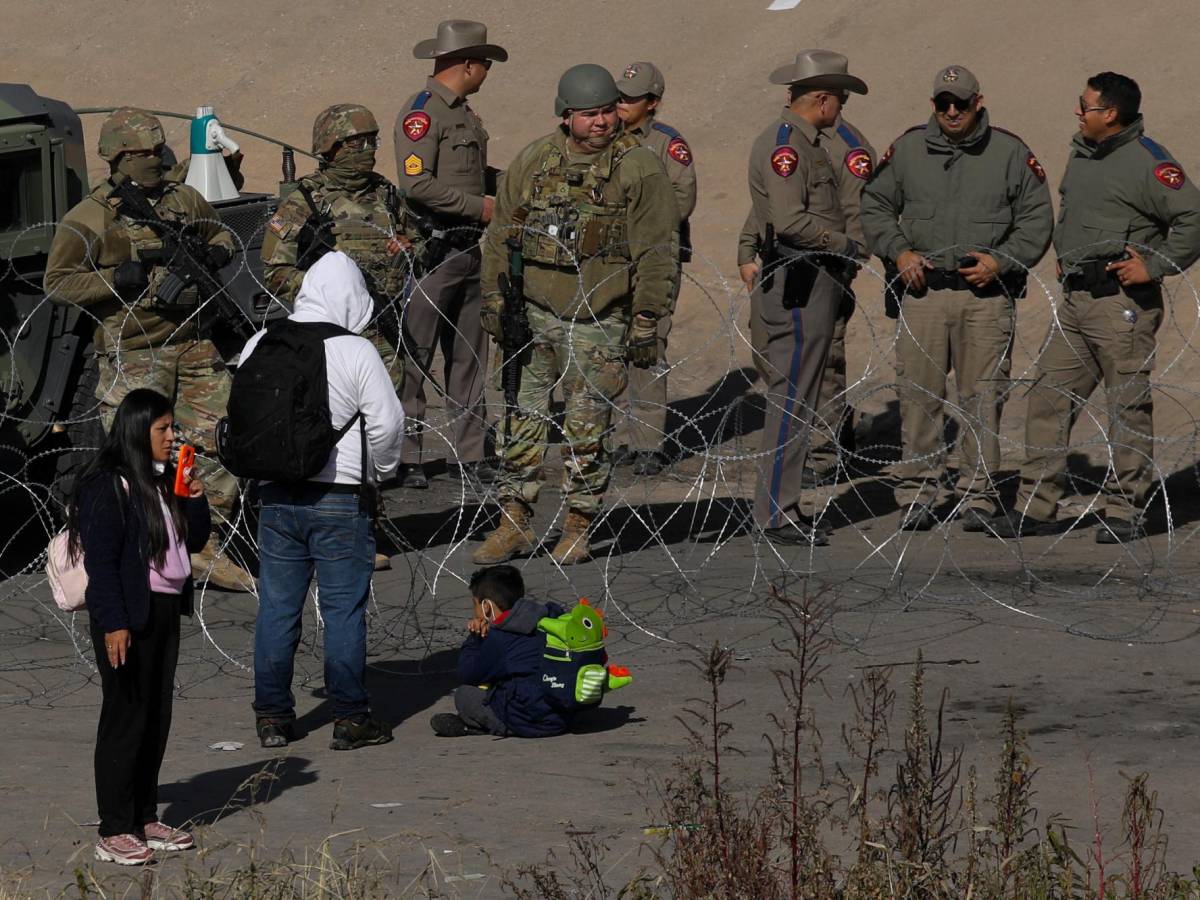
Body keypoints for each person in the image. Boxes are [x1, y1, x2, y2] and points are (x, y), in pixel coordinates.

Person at [472, 64, 678, 566]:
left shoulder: (639, 168)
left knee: (587, 430)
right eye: (590, 114)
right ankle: (513, 522)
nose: (602, 122)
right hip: (534, 315)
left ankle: (578, 526)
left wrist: (647, 317)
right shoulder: (535, 160)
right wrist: (495, 299)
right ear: (567, 117)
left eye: (608, 111)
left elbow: (657, 250)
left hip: (599, 319)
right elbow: (500, 234)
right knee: (521, 423)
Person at [44, 108, 252, 591]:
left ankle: (203, 542)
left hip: (194, 343)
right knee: (137, 455)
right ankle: (143, 544)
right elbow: (58, 282)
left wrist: (218, 251)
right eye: (143, 154)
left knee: (217, 439)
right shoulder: (91, 216)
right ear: (118, 157)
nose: (155, 160)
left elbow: (218, 230)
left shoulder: (183, 199)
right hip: (135, 351)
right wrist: (116, 278)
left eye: (158, 150)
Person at [993, 72, 1200, 542]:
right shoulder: (1084, 153)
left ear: (1109, 114)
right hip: (1075, 301)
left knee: (1126, 406)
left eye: (1084, 105)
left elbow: (1193, 217)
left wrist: (1153, 265)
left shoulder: (1149, 163)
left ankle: (1125, 509)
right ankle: (1036, 506)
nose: (1076, 111)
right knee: (1047, 398)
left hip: (1120, 305)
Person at [861, 65, 1053, 532]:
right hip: (923, 293)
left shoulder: (1009, 152)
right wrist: (899, 250)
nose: (952, 111)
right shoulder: (907, 149)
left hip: (984, 299)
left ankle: (978, 493)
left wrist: (1001, 261)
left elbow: (1036, 219)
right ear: (933, 105)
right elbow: (875, 205)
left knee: (982, 398)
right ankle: (920, 491)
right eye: (943, 102)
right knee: (919, 396)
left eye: (961, 104)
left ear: (977, 103)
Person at [243, 252, 404, 750]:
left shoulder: (258, 341)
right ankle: (351, 718)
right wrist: (380, 471)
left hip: (273, 496)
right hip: (337, 497)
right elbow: (388, 424)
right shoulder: (355, 350)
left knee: (276, 609)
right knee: (342, 611)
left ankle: (271, 717)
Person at [67, 388, 210, 865]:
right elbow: (102, 563)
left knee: (155, 716)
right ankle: (114, 826)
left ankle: (145, 815)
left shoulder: (162, 479)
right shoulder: (109, 484)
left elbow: (195, 539)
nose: (172, 438)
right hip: (128, 612)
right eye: (162, 430)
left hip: (164, 610)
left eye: (173, 428)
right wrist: (113, 623)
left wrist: (194, 497)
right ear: (137, 431)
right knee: (126, 716)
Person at [736, 50, 868, 545]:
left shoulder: (806, 143)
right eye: (840, 99)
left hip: (810, 279)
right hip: (800, 280)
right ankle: (776, 512)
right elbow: (789, 221)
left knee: (797, 398)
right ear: (824, 100)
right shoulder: (787, 145)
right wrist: (847, 245)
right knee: (791, 400)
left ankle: (780, 507)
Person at [394, 20, 507, 490]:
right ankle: (407, 456)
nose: (487, 73)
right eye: (485, 64)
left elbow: (472, 172)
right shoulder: (423, 114)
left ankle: (472, 452)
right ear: (468, 64)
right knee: (415, 359)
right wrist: (479, 207)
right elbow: (416, 183)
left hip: (467, 251)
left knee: (470, 360)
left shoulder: (464, 114)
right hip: (434, 250)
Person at [261, 103, 418, 400]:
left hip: (384, 324)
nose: (369, 149)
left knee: (385, 410)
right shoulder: (305, 201)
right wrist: (328, 292)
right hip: (332, 332)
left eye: (373, 141)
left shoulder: (385, 193)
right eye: (358, 142)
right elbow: (275, 272)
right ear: (331, 146)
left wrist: (406, 248)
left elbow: (416, 242)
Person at [613, 61, 698, 475]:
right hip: (609, 259)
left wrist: (643, 226)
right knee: (607, 344)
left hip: (653, 258)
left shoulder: (667, 144)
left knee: (647, 344)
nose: (622, 105)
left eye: (631, 99)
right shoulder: (604, 137)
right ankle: (614, 437)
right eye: (620, 96)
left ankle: (647, 442)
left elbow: (683, 197)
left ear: (653, 103)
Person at [430, 564, 568, 737]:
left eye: (476, 604)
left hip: (537, 721)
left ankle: (501, 727)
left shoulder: (500, 638)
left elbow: (468, 673)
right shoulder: (550, 617)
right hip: (568, 711)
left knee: (465, 695)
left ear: (486, 606)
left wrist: (475, 638)